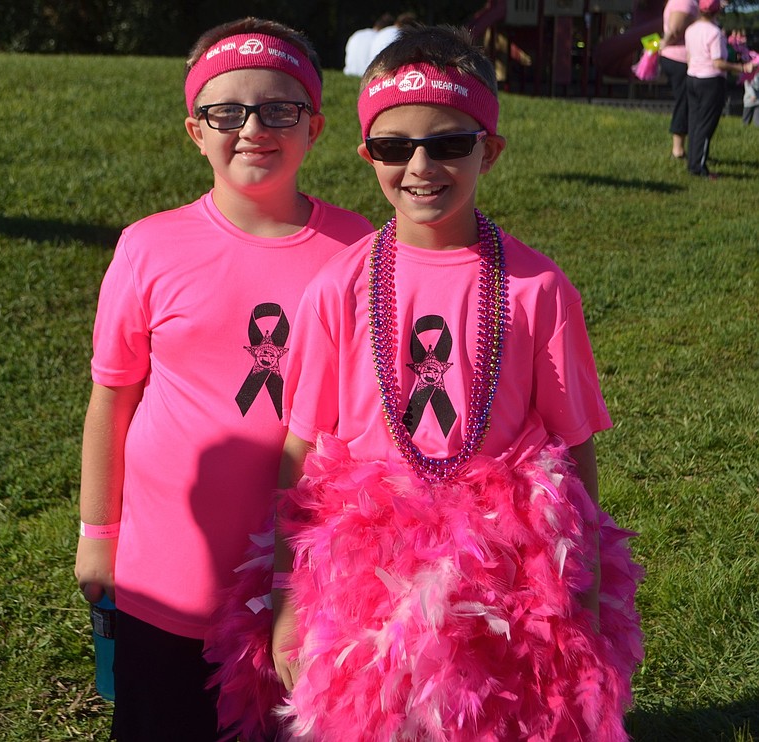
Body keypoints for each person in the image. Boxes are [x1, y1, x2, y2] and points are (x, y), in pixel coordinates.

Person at [207, 23, 645, 741]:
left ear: (488, 150)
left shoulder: (538, 289)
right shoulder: (338, 288)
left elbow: (575, 451)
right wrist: (286, 601)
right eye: (393, 147)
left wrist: (586, 594)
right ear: (366, 153)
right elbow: (301, 453)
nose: (420, 166)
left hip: (503, 585)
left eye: (448, 144)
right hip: (364, 584)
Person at [74, 16, 374, 741]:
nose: (253, 129)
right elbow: (112, 400)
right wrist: (98, 533)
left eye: (279, 110)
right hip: (166, 578)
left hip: (304, 579)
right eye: (226, 112)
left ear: (314, 128)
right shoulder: (149, 247)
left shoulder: (360, 250)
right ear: (195, 131)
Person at [685, 0, 755, 178]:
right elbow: (718, 63)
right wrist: (743, 68)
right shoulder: (714, 33)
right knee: (706, 125)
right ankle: (699, 167)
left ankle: (692, 162)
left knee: (694, 122)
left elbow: (689, 56)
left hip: (692, 78)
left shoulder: (690, 29)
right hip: (710, 81)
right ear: (717, 12)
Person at [659, 0, 699, 159]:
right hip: (679, 59)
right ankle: (678, 149)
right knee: (685, 102)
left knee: (686, 102)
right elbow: (675, 30)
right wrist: (664, 43)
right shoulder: (684, 2)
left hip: (677, 58)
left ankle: (684, 147)